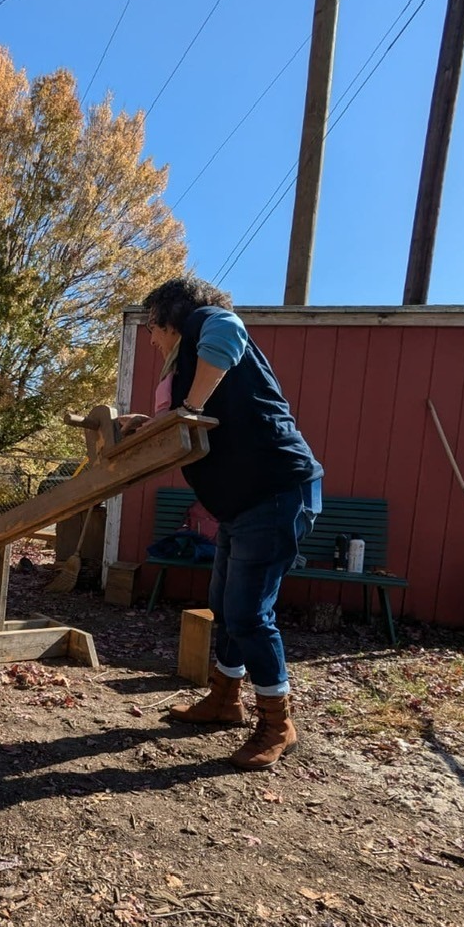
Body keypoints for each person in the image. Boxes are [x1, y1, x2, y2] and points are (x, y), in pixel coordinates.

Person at [121, 275, 323, 771]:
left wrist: (188, 409)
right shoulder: (191, 364)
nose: (151, 338)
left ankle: (277, 724)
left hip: (275, 493)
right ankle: (225, 699)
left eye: (151, 327)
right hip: (241, 504)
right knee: (225, 607)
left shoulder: (207, 323)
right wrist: (151, 425)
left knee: (249, 613)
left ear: (168, 317)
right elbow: (189, 422)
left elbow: (227, 331)